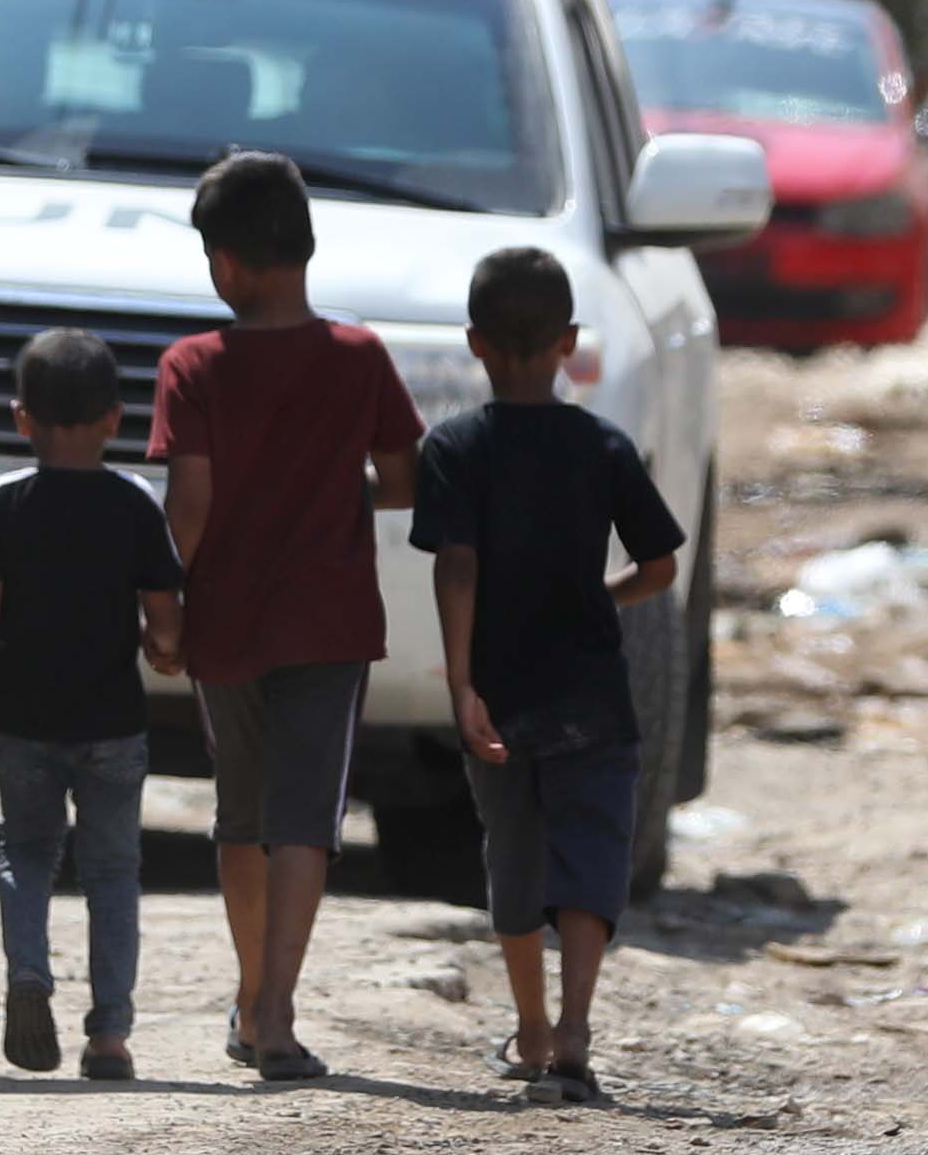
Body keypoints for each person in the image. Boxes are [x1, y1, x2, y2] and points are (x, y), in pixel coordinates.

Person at [150, 147, 426, 1088]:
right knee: (308, 817)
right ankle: (276, 1012)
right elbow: (404, 479)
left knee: (242, 812)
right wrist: (339, 485)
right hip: (330, 618)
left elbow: (190, 500)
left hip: (227, 616)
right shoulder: (359, 356)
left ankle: (246, 992)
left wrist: (164, 602)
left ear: (225, 261)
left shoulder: (193, 365)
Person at [407, 246, 686, 1104]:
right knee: (591, 853)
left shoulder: (455, 446)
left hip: (501, 693)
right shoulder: (603, 445)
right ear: (569, 341)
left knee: (516, 854)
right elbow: (661, 566)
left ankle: (528, 1028)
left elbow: (455, 567)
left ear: (474, 343)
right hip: (592, 694)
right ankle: (575, 1028)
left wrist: (461, 685)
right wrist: (606, 593)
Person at [0, 326, 184, 1080]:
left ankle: (29, 973)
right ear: (115, 418)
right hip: (114, 721)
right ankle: (110, 1034)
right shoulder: (135, 502)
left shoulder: (2, 501)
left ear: (22, 417)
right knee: (112, 872)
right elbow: (165, 617)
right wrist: (162, 647)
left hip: (25, 720)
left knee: (26, 854)